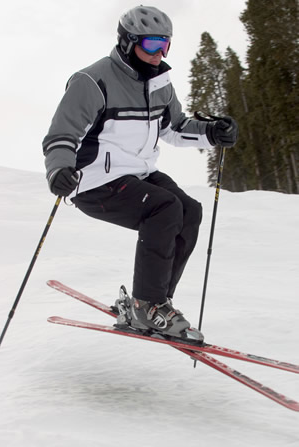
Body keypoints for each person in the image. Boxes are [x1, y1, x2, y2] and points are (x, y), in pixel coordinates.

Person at [43, 6, 238, 339]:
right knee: (165, 208)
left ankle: (150, 304)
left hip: (138, 174)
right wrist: (58, 169)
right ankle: (148, 305)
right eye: (151, 45)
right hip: (93, 180)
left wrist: (211, 132)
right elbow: (62, 134)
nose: (159, 54)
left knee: (190, 210)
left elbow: (175, 127)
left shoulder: (160, 83)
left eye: (165, 45)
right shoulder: (92, 81)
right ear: (126, 42)